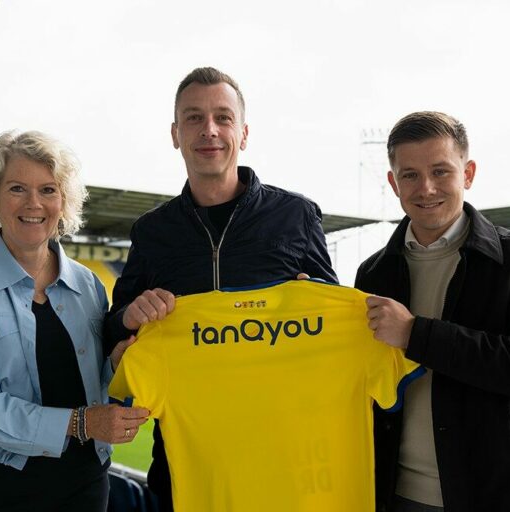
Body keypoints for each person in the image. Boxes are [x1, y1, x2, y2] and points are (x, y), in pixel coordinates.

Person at [104, 66, 338, 510]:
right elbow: (112, 332)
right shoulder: (153, 231)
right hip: (183, 464)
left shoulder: (297, 216)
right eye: (193, 118)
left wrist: (314, 300)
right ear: (175, 133)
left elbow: (330, 326)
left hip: (281, 460)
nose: (209, 130)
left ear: (243, 133)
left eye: (222, 117)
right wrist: (130, 317)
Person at [355, 111, 510, 512]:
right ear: (393, 183)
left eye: (441, 171)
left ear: (468, 173)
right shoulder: (373, 272)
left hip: (500, 496)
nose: (426, 188)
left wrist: (415, 334)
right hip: (399, 495)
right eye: (410, 175)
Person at [0, 130, 149, 512]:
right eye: (16, 189)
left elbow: (96, 383)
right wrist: (80, 424)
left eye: (48, 190)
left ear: (64, 202)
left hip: (82, 488)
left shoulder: (88, 284)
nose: (34, 203)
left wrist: (118, 363)